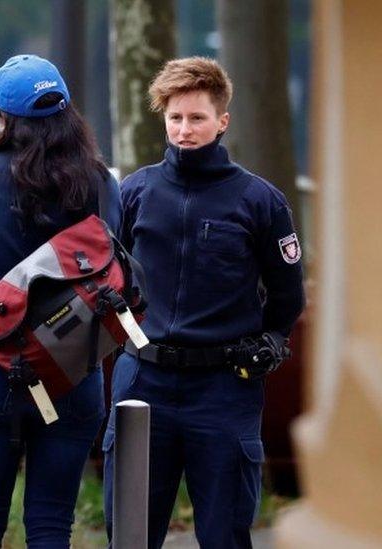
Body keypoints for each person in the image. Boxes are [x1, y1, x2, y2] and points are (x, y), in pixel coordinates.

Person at [102, 57, 305, 548]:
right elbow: (109, 276)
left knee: (225, 534)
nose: (185, 130)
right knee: (128, 535)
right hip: (142, 382)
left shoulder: (260, 201)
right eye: (176, 118)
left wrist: (272, 340)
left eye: (197, 118)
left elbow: (287, 293)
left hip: (223, 389)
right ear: (164, 119)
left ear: (222, 121)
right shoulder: (134, 192)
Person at [0, 54, 122, 548]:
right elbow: (113, 266)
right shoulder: (102, 183)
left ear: (4, 117)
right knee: (50, 525)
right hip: (74, 366)